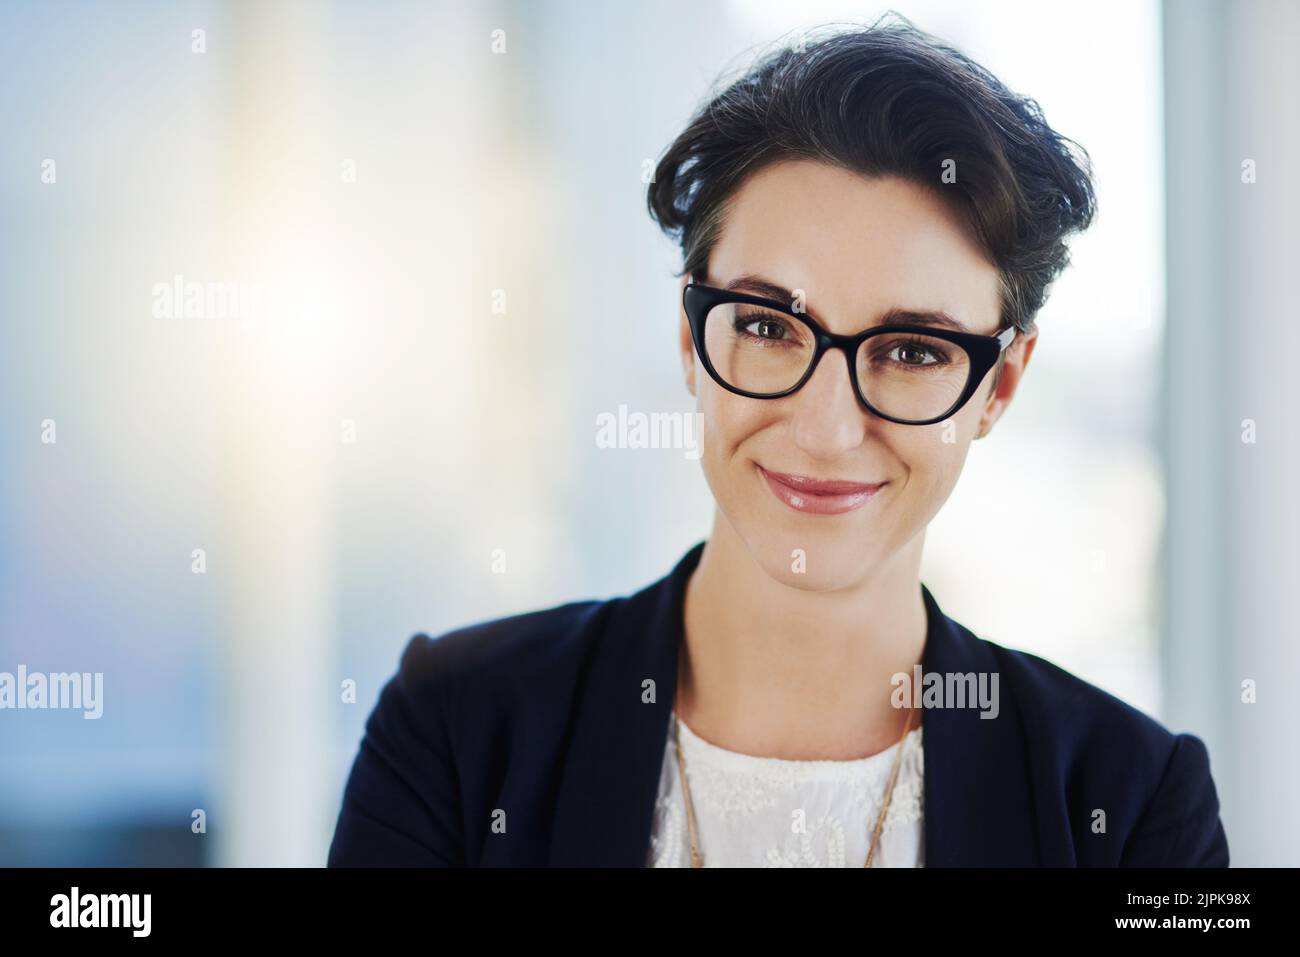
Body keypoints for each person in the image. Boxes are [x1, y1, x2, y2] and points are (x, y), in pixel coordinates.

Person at [328, 15, 1228, 867]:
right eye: (767, 328)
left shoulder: (1134, 806)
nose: (827, 429)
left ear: (1000, 383)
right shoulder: (454, 727)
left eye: (912, 349)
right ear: (691, 337)